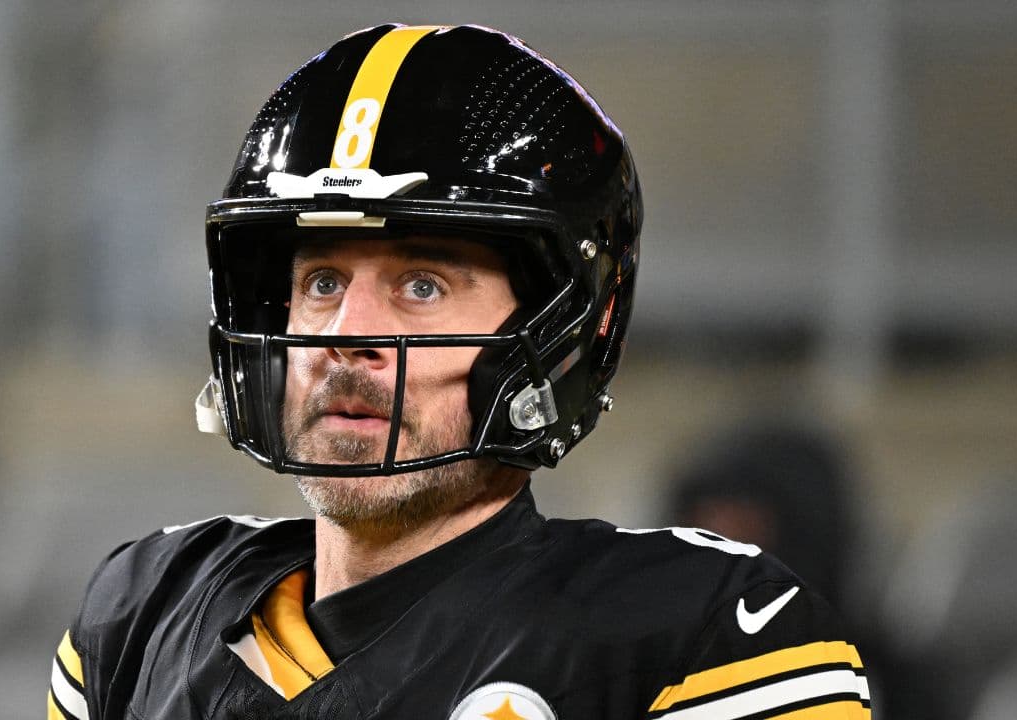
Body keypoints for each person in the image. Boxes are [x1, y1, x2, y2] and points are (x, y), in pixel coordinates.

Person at [47, 24, 870, 719]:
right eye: (322, 281)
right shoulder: (143, 612)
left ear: (559, 330)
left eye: (422, 285)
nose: (347, 332)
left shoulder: (700, 638)